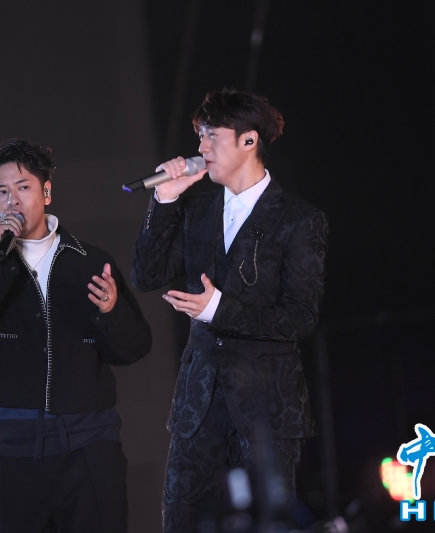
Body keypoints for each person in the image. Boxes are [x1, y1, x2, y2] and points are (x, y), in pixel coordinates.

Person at [131, 89, 328, 532]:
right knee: (183, 522)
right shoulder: (197, 209)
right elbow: (146, 275)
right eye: (199, 136)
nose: (200, 148)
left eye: (211, 136)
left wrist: (218, 308)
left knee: (265, 523)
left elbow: (301, 317)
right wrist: (166, 200)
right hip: (198, 406)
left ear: (248, 140)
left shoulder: (299, 219)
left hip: (266, 408)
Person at [0, 139, 152, 533]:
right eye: (1, 191)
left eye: (23, 187)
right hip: (11, 451)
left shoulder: (90, 261)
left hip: (89, 446)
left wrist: (111, 312)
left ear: (46, 192)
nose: (13, 200)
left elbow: (134, 346)